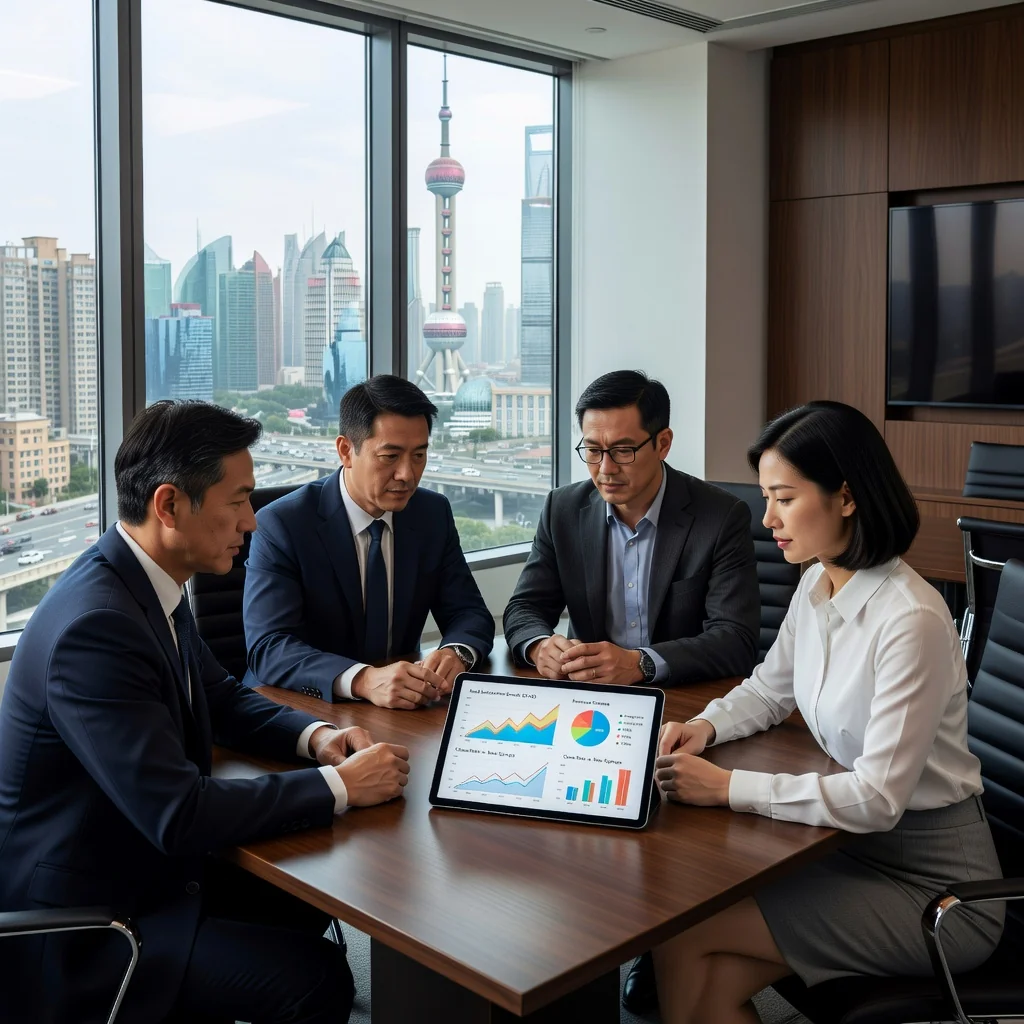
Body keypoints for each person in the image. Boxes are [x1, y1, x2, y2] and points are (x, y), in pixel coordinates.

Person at [0, 401, 411, 1024]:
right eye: (238, 500)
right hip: (89, 924)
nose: (252, 519)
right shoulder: (98, 628)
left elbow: (219, 696)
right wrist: (339, 787)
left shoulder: (144, 581)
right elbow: (178, 813)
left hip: (140, 867)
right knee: (314, 979)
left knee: (305, 901)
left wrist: (319, 738)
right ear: (169, 506)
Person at [650, 400, 1004, 1024]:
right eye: (766, 498)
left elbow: (877, 798)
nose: (767, 519)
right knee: (693, 953)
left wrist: (729, 787)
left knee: (688, 933)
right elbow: (768, 690)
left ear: (845, 496)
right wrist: (706, 726)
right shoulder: (818, 582)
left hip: (940, 891)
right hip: (844, 848)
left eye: (784, 499)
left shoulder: (910, 620)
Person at [244, 375, 494, 709]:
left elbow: (469, 612)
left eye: (419, 455)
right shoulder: (283, 524)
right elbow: (269, 647)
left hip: (400, 709)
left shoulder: (431, 513)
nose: (407, 474)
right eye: (390, 457)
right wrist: (363, 679)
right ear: (346, 451)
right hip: (300, 708)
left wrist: (456, 652)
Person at [503, 369, 760, 687]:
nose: (606, 470)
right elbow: (524, 607)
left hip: (682, 700)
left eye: (624, 451)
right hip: (590, 697)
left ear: (662, 444)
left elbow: (735, 639)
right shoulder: (563, 509)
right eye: (593, 451)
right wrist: (540, 645)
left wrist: (641, 664)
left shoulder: (720, 517)